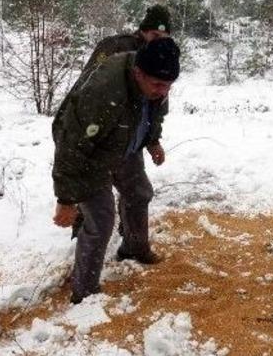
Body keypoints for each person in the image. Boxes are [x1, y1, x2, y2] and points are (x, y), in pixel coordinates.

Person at [51, 37, 180, 304]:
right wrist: (66, 199)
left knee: (139, 192)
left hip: (123, 141)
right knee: (101, 219)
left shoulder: (157, 83)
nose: (163, 92)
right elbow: (71, 145)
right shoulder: (104, 91)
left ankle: (134, 248)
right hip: (91, 152)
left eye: (169, 86)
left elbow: (154, 113)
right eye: (157, 85)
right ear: (138, 73)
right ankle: (84, 292)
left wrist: (153, 140)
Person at [79, 5, 172, 82]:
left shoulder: (159, 58)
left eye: (164, 38)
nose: (159, 41)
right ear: (144, 30)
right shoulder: (113, 45)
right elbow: (88, 78)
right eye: (155, 35)